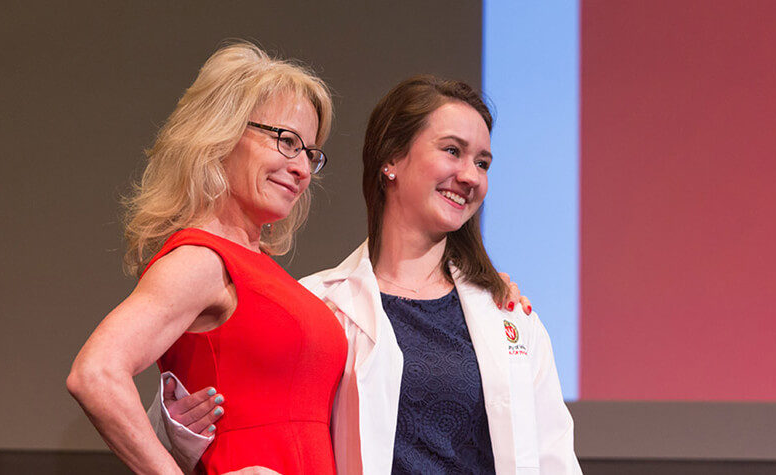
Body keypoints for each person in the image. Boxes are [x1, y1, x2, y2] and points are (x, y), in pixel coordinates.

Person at [154, 76, 581, 474]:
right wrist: (183, 429)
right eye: (452, 151)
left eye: (483, 162)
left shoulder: (509, 315)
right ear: (391, 159)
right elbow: (232, 421)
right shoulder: (317, 305)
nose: (470, 176)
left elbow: (555, 457)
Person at [66, 42, 347, 475]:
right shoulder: (202, 259)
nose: (303, 169)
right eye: (287, 142)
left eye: (310, 153)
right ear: (224, 132)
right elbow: (95, 373)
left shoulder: (259, 266)